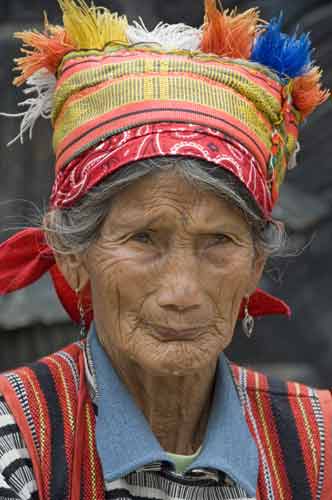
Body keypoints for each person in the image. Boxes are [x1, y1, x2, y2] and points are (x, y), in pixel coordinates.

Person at [0, 1, 330, 498]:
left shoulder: (319, 441)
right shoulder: (16, 437)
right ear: (72, 254)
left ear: (256, 263)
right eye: (143, 239)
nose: (182, 292)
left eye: (218, 242)